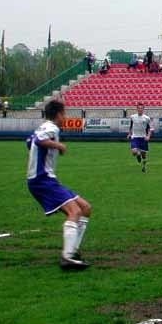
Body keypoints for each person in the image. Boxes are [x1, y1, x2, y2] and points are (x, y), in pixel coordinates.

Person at [27, 100, 92, 270]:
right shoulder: (52, 128)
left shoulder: (43, 126)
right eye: (64, 114)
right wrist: (59, 145)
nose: (65, 117)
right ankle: (67, 257)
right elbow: (40, 140)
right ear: (58, 115)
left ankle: (73, 251)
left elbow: (30, 141)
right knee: (75, 211)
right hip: (42, 179)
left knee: (85, 208)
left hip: (45, 179)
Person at [128, 102, 153, 172]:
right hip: (135, 137)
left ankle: (144, 167)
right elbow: (131, 126)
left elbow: (150, 128)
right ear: (137, 109)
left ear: (143, 109)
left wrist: (148, 136)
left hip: (143, 138)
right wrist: (129, 133)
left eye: (141, 108)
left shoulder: (147, 118)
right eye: (138, 108)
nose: (140, 109)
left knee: (144, 155)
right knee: (134, 152)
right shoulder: (133, 117)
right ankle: (138, 155)